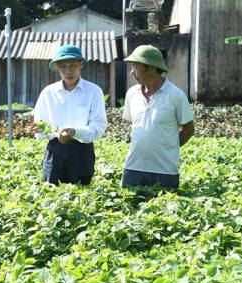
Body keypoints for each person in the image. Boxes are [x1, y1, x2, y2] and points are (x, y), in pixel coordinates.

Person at [121, 45, 194, 189]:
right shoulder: (132, 94)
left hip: (165, 171)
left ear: (151, 68)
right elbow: (134, 126)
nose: (131, 72)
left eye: (135, 66)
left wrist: (168, 146)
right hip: (133, 167)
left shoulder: (175, 95)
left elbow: (189, 129)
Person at [33, 44, 108, 185]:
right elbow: (40, 124)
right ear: (57, 68)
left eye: (72, 65)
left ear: (80, 65)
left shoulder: (93, 91)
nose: (68, 71)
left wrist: (75, 132)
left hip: (82, 151)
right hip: (55, 150)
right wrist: (40, 130)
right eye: (63, 66)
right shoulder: (48, 93)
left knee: (82, 197)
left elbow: (99, 125)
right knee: (51, 193)